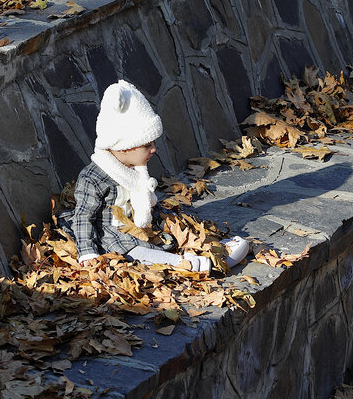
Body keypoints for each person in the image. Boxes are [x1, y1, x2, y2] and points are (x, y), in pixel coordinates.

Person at [71, 80, 250, 273]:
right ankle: (187, 265)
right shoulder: (93, 178)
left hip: (144, 224)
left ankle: (206, 247)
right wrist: (87, 252)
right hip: (113, 233)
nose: (154, 149)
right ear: (123, 146)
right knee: (133, 249)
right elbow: (83, 217)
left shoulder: (135, 166)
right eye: (147, 145)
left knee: (172, 224)